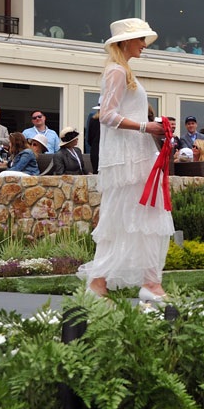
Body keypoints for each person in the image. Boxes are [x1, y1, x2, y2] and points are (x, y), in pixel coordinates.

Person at [77, 18, 173, 303]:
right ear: (126, 42)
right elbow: (105, 115)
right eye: (140, 39)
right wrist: (147, 127)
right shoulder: (117, 71)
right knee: (132, 216)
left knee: (138, 216)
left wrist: (153, 127)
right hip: (129, 159)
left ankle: (136, 283)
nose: (144, 45)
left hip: (136, 154)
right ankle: (137, 284)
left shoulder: (123, 71)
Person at [86, 101, 101, 173]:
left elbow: (89, 138)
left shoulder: (92, 119)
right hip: (104, 150)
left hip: (94, 150)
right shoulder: (107, 121)